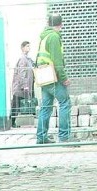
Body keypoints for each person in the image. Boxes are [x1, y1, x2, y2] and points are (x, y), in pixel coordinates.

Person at [35, 14, 71, 144]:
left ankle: (41, 137)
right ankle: (64, 136)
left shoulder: (44, 37)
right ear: (60, 25)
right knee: (65, 103)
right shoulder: (54, 37)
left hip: (43, 76)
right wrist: (64, 78)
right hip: (53, 77)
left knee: (46, 107)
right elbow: (57, 61)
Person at [10, 41, 34, 127]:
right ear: (23, 48)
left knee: (18, 104)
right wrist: (25, 86)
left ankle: (13, 122)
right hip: (20, 87)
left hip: (24, 86)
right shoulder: (23, 59)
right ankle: (12, 122)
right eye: (27, 46)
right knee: (16, 104)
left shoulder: (28, 59)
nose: (29, 48)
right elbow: (22, 73)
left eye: (29, 46)